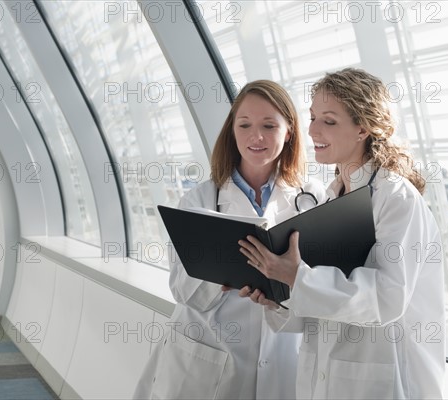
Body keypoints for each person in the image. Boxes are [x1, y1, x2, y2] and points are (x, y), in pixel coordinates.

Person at [238, 68, 445, 399]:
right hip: (327, 379)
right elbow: (322, 308)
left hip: (382, 379)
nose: (313, 129)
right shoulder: (333, 197)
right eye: (313, 117)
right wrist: (277, 297)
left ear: (363, 127)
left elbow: (388, 298)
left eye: (329, 121)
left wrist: (298, 279)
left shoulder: (395, 197)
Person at [133, 80, 326, 399]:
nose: (256, 136)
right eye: (245, 124)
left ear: (289, 131)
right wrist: (221, 277)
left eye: (269, 125)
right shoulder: (200, 200)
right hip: (209, 354)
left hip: (282, 356)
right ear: (232, 131)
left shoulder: (313, 199)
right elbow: (181, 289)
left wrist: (283, 286)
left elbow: (322, 283)